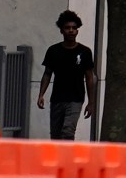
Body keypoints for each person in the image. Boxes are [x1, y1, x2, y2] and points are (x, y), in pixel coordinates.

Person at [36, 10, 96, 141]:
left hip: (76, 98)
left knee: (68, 131)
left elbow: (90, 78)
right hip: (57, 98)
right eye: (67, 28)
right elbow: (47, 74)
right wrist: (41, 94)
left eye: (74, 28)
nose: (71, 31)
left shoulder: (84, 52)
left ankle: (67, 159)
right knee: (56, 135)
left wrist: (91, 102)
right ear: (61, 30)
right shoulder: (53, 51)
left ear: (77, 30)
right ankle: (57, 159)